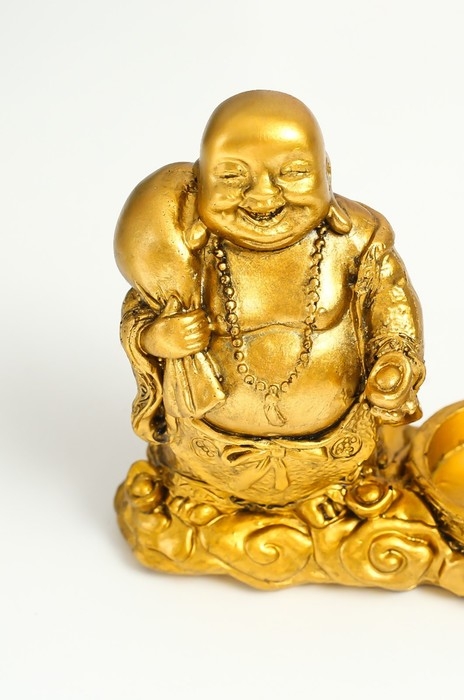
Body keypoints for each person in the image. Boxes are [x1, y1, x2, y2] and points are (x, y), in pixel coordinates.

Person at [116, 90, 425, 507]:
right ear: (201, 181)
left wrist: (394, 359)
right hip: (213, 451)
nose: (263, 196)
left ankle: (339, 490)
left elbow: (391, 304)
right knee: (198, 497)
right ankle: (206, 495)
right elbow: (139, 314)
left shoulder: (357, 240)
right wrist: (157, 339)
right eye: (232, 176)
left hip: (336, 448)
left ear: (326, 172)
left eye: (293, 172)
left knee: (358, 489)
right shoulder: (186, 253)